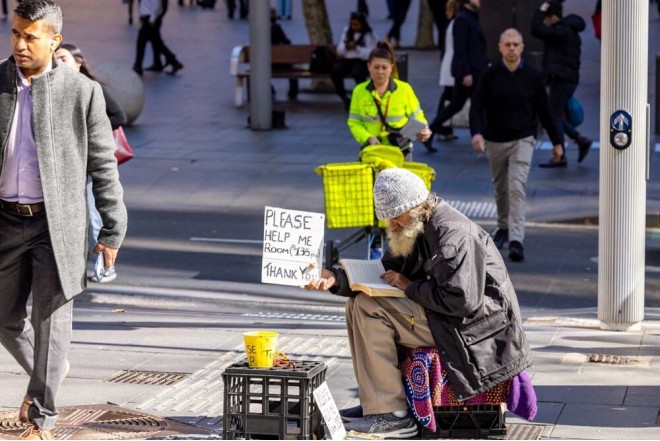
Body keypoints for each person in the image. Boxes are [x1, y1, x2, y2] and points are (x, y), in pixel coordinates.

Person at [304, 167, 532, 438]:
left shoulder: (451, 235)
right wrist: (335, 279)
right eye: (387, 220)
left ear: (415, 206)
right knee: (356, 303)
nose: (392, 226)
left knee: (369, 307)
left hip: (474, 330)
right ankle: (377, 404)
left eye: (396, 218)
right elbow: (389, 267)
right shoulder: (417, 224)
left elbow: (462, 300)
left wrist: (409, 286)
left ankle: (394, 415)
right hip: (450, 316)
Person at [0, 0, 128, 439]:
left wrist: (112, 228)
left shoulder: (81, 91)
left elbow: (103, 164)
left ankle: (41, 417)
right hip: (4, 220)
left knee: (52, 320)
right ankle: (50, 367)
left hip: (57, 225)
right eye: (15, 33)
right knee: (4, 318)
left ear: (54, 41)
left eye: (30, 36)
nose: (19, 43)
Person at [470, 29, 562, 262]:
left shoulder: (533, 76)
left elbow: (545, 110)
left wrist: (557, 142)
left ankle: (516, 240)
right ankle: (503, 227)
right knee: (501, 188)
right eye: (507, 44)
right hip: (495, 140)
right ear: (500, 47)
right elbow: (477, 107)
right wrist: (477, 134)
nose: (511, 48)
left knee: (516, 187)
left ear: (522, 48)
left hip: (523, 138)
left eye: (516, 44)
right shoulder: (489, 75)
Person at [55, 43, 127, 283]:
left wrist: (93, 131)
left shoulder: (89, 89)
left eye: (63, 58)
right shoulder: (55, 88)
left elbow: (119, 115)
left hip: (88, 161)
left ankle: (105, 266)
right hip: (67, 163)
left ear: (78, 63)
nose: (58, 63)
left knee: (94, 212)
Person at [347, 40, 432, 162]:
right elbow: (354, 122)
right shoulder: (359, 91)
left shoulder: (404, 89)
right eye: (376, 67)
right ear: (368, 67)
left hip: (400, 151)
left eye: (384, 67)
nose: (380, 72)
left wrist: (424, 131)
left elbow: (418, 116)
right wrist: (368, 138)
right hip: (372, 151)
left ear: (391, 68)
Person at [531, 0, 591, 168]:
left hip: (563, 78)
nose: (544, 22)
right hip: (565, 78)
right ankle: (578, 141)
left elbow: (535, 29)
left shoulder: (561, 31)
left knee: (554, 116)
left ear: (552, 17)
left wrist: (540, 10)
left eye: (546, 18)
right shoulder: (566, 30)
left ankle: (562, 154)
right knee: (556, 115)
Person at [428, 0, 488, 144]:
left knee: (458, 104)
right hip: (469, 72)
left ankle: (430, 132)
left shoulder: (470, 17)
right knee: (475, 105)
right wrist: (466, 73)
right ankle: (479, 137)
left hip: (472, 71)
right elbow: (460, 49)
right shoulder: (462, 20)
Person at [331, 11, 377, 110]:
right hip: (347, 59)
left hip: (361, 61)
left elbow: (370, 53)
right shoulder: (347, 32)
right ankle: (344, 97)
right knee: (336, 72)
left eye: (357, 24)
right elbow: (340, 51)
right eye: (352, 24)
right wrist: (346, 47)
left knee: (358, 74)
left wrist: (357, 48)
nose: (354, 27)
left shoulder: (368, 35)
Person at [431, 0, 462, 143]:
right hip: (455, 65)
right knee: (452, 98)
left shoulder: (452, 20)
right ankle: (436, 129)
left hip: (451, 62)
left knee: (451, 98)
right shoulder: (459, 21)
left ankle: (438, 130)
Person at [133, 0, 183, 76]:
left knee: (144, 41)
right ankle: (174, 62)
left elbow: (156, 3)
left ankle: (138, 66)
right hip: (149, 17)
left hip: (150, 18)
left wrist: (152, 19)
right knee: (156, 42)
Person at [270, 7, 298, 100]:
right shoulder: (276, 28)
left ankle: (270, 88)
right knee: (292, 69)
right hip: (278, 63)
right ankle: (293, 93)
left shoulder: (257, 29)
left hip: (263, 65)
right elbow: (286, 42)